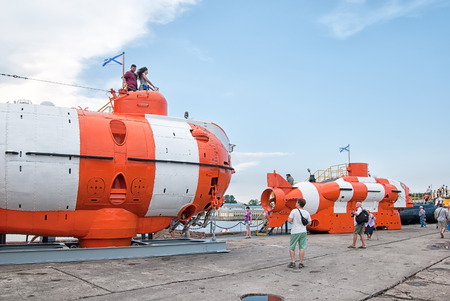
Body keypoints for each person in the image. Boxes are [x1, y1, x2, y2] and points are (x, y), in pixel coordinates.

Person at [287, 198, 311, 269]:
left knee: (292, 247)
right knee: (302, 247)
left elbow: (289, 220)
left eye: (296, 202)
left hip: (295, 231)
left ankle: (293, 262)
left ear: (298, 203)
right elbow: (309, 223)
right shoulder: (306, 212)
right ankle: (301, 263)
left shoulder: (293, 211)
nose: (296, 203)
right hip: (303, 231)